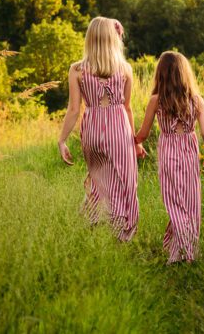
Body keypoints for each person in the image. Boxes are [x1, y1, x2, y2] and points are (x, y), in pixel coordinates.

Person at [58, 17, 144, 241]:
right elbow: (127, 108)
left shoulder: (77, 69)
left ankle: (94, 223)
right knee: (125, 181)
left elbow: (74, 109)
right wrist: (137, 142)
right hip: (119, 128)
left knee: (98, 180)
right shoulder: (125, 68)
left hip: (92, 130)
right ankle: (121, 234)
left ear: (90, 39)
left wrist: (62, 140)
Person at [134, 51, 204, 262]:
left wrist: (136, 142)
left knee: (173, 201)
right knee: (190, 202)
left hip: (168, 150)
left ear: (160, 74)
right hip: (189, 151)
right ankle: (184, 248)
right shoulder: (197, 101)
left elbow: (143, 133)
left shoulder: (156, 100)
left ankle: (185, 251)